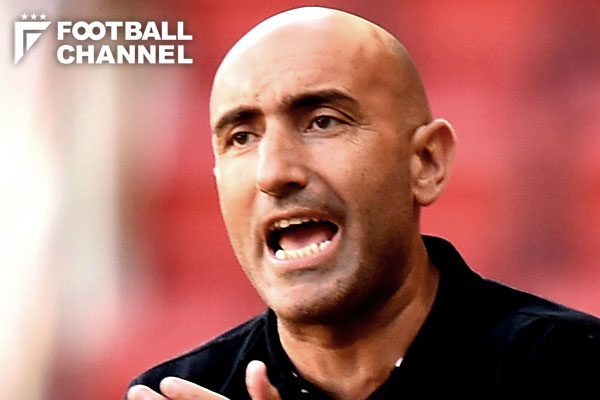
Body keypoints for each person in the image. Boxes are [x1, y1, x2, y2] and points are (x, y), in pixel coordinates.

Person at [126, 7, 600, 400]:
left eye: (323, 121)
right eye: (242, 137)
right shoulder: (178, 392)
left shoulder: (570, 367)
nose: (273, 173)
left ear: (426, 162)